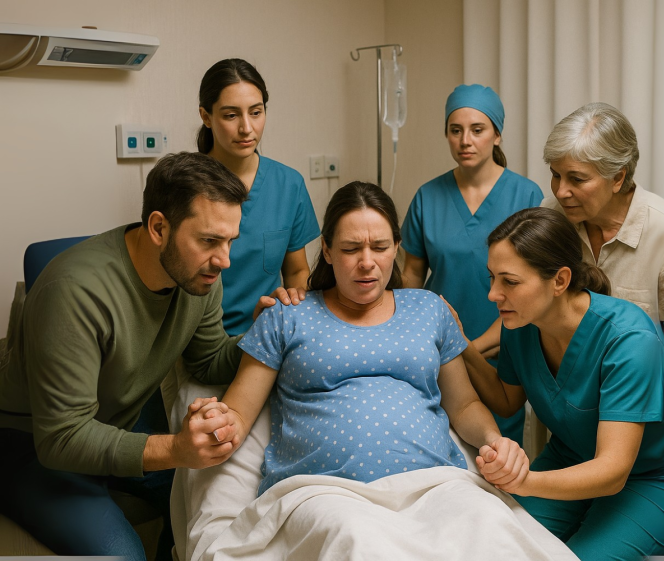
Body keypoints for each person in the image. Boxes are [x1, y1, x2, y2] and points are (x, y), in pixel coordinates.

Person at [198, 181, 527, 496]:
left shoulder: (429, 309)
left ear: (396, 247)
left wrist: (493, 440)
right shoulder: (287, 314)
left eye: (380, 247)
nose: (367, 262)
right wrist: (219, 423)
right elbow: (239, 412)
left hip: (433, 486)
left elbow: (465, 406)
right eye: (351, 249)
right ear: (327, 250)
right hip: (324, 492)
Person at [0, 152, 249, 561]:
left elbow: (208, 360)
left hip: (119, 417)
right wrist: (175, 449)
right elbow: (62, 438)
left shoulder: (199, 276)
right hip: (31, 444)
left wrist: (268, 334)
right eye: (208, 240)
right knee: (123, 555)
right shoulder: (74, 292)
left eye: (229, 241)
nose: (224, 260)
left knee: (211, 507)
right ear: (159, 228)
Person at [457, 206, 664, 560]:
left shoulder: (628, 341)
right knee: (494, 547)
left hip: (661, 479)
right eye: (492, 278)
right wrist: (461, 345)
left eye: (510, 282)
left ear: (560, 281)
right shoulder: (521, 324)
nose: (493, 294)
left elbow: (611, 471)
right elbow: (506, 400)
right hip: (571, 460)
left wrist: (524, 481)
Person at [541, 102, 664, 403]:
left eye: (576, 179)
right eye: (556, 175)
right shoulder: (551, 215)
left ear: (618, 178)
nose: (561, 191)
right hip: (567, 403)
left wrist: (661, 401)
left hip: (646, 405)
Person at [400, 83, 542, 443]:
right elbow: (411, 275)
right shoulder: (428, 196)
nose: (465, 140)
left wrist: (468, 348)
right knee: (437, 443)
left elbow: (535, 286)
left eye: (477, 130)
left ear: (497, 135)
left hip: (504, 350)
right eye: (455, 130)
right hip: (436, 350)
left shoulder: (526, 195)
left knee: (498, 450)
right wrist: (406, 337)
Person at [197, 58, 320, 336]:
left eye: (255, 112)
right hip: (199, 340)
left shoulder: (288, 184)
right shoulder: (185, 186)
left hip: (268, 335)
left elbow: (297, 272)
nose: (246, 128)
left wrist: (292, 308)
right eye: (231, 115)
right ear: (206, 117)